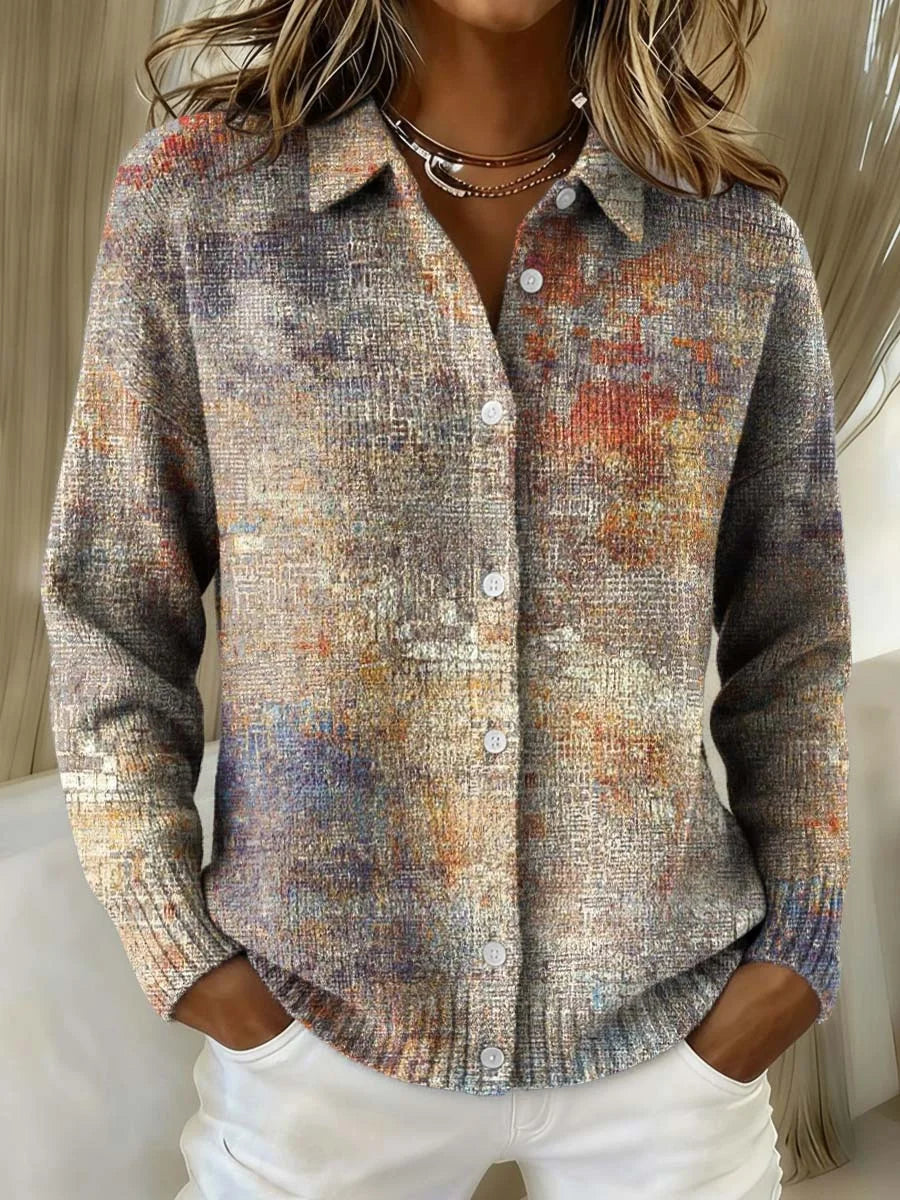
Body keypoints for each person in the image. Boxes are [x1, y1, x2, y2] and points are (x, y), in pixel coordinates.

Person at [40, 0, 852, 1196]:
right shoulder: (200, 205)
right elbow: (112, 608)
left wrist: (795, 958)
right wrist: (192, 959)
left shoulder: (734, 246)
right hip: (316, 1053)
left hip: (673, 1051)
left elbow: (796, 641)